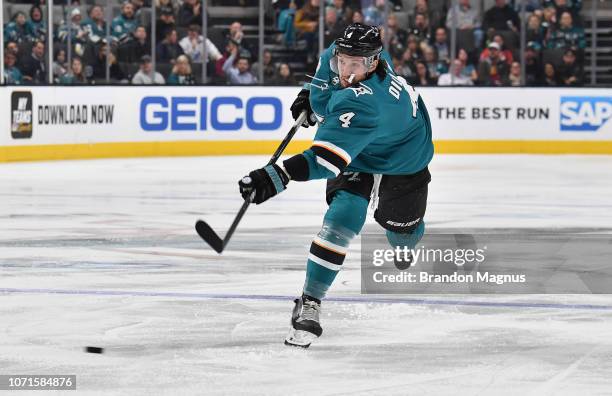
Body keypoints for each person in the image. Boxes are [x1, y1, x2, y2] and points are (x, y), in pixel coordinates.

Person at [238, 23, 433, 348]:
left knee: (403, 230)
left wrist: (276, 177)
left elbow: (325, 161)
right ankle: (310, 302)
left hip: (405, 158)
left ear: (373, 62)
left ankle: (403, 245)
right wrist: (312, 101)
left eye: (355, 64)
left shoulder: (368, 102)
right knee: (343, 218)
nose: (346, 69)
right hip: (360, 153)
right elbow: (322, 83)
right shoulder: (335, 56)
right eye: (343, 61)